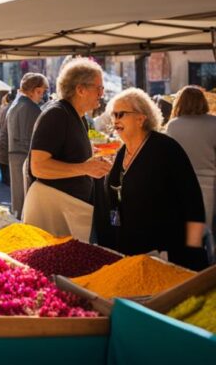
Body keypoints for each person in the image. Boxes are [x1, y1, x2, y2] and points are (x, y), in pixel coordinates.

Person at [93, 89, 206, 270]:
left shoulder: (166, 149)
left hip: (167, 251)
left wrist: (194, 249)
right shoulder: (121, 152)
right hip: (130, 252)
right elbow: (115, 200)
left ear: (141, 118)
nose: (115, 120)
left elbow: (193, 201)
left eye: (121, 114)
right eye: (113, 114)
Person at [25, 58, 111, 237]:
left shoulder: (78, 118)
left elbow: (68, 154)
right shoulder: (56, 114)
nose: (101, 94)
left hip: (69, 209)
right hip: (52, 211)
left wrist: (93, 158)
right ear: (80, 89)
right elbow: (38, 166)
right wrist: (85, 168)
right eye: (99, 88)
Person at [165, 85, 216, 260]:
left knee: (184, 230)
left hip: (178, 185)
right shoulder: (213, 123)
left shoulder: (173, 125)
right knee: (207, 230)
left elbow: (167, 158)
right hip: (209, 185)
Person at [1, 75, 48, 218]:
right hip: (26, 157)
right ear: (35, 90)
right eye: (41, 92)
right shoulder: (32, 108)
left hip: (15, 155)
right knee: (27, 200)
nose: (42, 96)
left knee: (18, 199)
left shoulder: (14, 105)